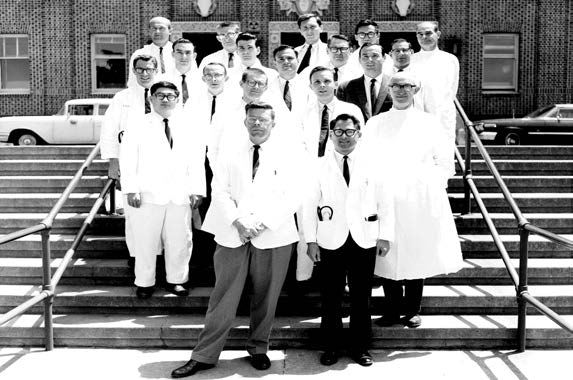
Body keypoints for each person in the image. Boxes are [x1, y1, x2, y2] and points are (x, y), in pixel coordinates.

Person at [171, 103, 303, 378]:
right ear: (245, 122)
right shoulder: (230, 152)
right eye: (252, 119)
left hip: (273, 235)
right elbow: (219, 191)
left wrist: (262, 223)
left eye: (262, 120)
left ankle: (258, 348)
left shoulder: (289, 154)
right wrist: (239, 222)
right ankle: (205, 355)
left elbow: (293, 195)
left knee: (266, 297)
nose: (257, 124)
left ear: (272, 124)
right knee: (223, 297)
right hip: (233, 233)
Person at [361, 72, 463, 328]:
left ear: (416, 90)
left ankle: (412, 309)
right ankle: (392, 309)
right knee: (387, 252)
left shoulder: (429, 123)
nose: (400, 90)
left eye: (407, 86)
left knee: (416, 250)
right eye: (395, 86)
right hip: (385, 195)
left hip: (420, 196)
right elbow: (365, 159)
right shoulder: (376, 122)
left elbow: (444, 162)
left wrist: (430, 185)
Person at [302, 113, 392, 367]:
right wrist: (311, 241)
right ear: (331, 135)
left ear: (358, 134)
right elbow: (308, 206)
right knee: (330, 297)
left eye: (349, 132)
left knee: (361, 297)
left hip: (363, 238)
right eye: (338, 132)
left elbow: (385, 202)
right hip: (330, 239)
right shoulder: (318, 165)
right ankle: (330, 347)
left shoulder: (372, 164)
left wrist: (385, 235)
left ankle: (360, 347)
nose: (344, 137)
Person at [119, 81, 206, 299]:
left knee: (180, 240)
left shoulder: (189, 125)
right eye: (160, 95)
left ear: (178, 99)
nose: (165, 99)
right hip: (147, 193)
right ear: (151, 99)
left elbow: (196, 161)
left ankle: (177, 280)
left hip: (180, 194)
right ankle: (145, 282)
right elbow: (127, 159)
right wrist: (131, 189)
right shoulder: (137, 123)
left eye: (170, 95)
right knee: (145, 241)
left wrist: (197, 189)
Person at [100, 55, 161, 270]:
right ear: (133, 71)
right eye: (140, 69)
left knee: (159, 211)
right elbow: (109, 132)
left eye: (149, 69)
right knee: (133, 212)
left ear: (156, 70)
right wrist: (113, 163)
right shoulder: (122, 98)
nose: (145, 73)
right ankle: (136, 254)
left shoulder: (164, 94)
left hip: (159, 163)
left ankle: (158, 256)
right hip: (130, 163)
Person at [411, 21, 460, 175]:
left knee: (441, 162)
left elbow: (452, 89)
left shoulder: (450, 60)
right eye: (420, 34)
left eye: (428, 33)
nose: (424, 37)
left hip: (441, 116)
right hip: (416, 116)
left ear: (438, 35)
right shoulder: (411, 60)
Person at [300, 66, 364, 159]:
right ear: (311, 86)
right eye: (317, 82)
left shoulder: (352, 110)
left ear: (336, 84)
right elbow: (299, 142)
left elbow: (359, 141)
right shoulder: (303, 112)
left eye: (327, 81)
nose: (322, 85)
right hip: (311, 165)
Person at [337, 43, 392, 122]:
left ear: (384, 58)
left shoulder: (395, 84)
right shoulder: (346, 88)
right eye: (365, 56)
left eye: (375, 56)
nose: (370, 60)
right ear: (359, 60)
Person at [127, 17, 178, 88]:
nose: (157, 32)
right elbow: (132, 82)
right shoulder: (139, 54)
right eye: (154, 29)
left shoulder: (180, 53)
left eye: (161, 28)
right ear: (149, 31)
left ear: (170, 31)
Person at [266, 45, 311, 118]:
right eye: (281, 59)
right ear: (274, 63)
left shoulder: (309, 86)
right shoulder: (266, 87)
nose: (286, 62)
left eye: (290, 58)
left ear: (298, 60)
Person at [166, 38, 200, 105]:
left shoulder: (203, 80)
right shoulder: (163, 79)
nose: (183, 57)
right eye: (179, 52)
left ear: (194, 56)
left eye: (188, 53)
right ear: (173, 54)